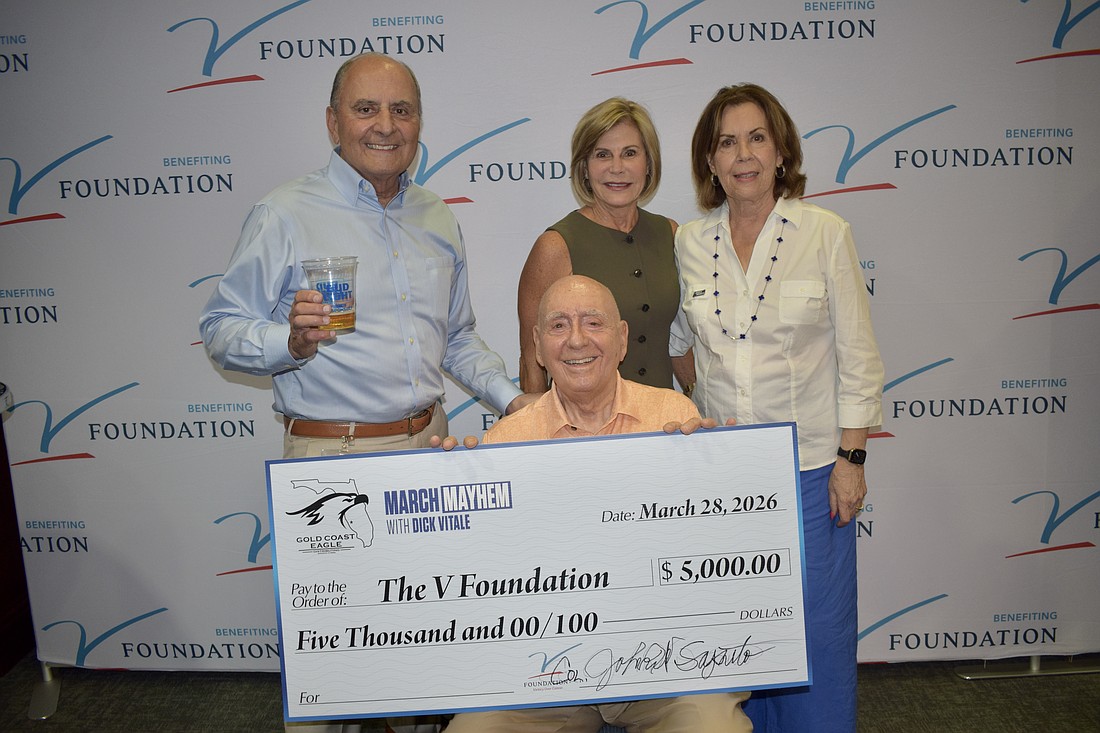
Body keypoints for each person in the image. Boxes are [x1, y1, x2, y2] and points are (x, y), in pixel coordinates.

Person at [199, 52, 532, 733]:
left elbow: (457, 337)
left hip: (430, 453)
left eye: (401, 110)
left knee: (425, 649)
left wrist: (512, 398)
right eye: (366, 108)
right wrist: (288, 342)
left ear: (419, 124)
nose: (385, 125)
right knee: (329, 667)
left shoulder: (437, 215)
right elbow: (221, 329)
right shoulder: (284, 213)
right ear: (333, 122)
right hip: (332, 462)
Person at [440, 275, 751, 733]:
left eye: (593, 322)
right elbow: (480, 576)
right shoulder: (505, 441)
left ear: (622, 339)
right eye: (559, 325)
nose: (576, 340)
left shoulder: (675, 419)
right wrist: (447, 499)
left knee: (713, 728)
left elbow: (719, 555)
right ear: (538, 346)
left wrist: (722, 477)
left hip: (664, 665)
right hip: (544, 673)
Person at [670, 83, 884, 733]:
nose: (743, 155)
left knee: (815, 635)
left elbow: (859, 356)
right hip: (725, 480)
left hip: (811, 474)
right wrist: (705, 405)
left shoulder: (825, 233)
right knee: (738, 634)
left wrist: (851, 459)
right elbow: (681, 345)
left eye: (757, 138)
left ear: (781, 151)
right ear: (710, 160)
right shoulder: (689, 242)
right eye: (727, 142)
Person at [517, 98, 688, 394]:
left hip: (663, 416)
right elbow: (533, 362)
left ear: (648, 163)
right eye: (603, 155)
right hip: (584, 419)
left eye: (630, 153)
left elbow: (680, 341)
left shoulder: (670, 234)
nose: (617, 168)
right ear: (584, 168)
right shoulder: (555, 246)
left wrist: (695, 399)